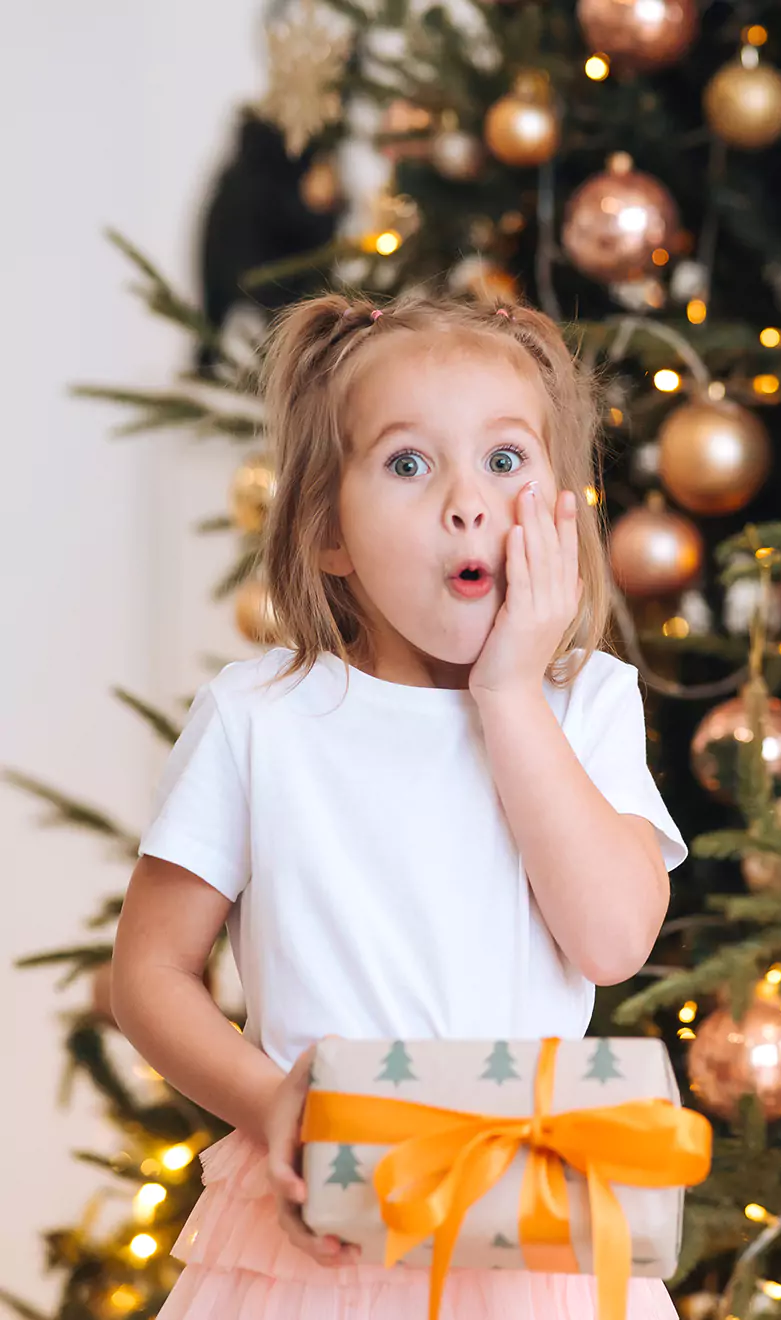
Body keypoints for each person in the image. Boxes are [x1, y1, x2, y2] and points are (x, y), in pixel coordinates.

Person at [111, 292, 688, 1319]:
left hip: (538, 1242)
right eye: (410, 464)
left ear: (562, 508)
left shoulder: (588, 703)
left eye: (505, 461)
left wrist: (510, 691)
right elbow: (149, 973)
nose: (467, 503)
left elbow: (611, 941)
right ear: (329, 531)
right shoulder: (261, 719)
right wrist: (273, 1104)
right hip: (319, 1234)